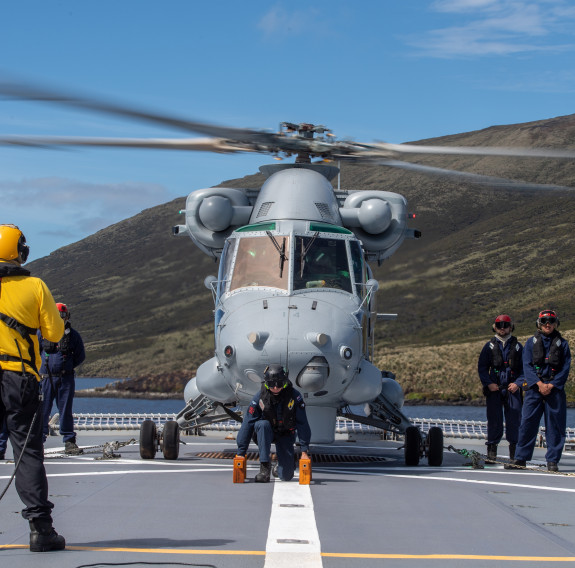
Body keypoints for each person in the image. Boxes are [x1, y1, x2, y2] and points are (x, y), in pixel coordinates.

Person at [0, 224, 66, 551]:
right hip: (19, 378)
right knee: (27, 454)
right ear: (19, 251)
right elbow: (54, 335)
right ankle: (40, 529)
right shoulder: (35, 286)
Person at [508, 310, 571, 472]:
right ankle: (520, 459)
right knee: (527, 423)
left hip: (554, 390)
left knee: (555, 426)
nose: (547, 324)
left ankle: (552, 461)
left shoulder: (563, 344)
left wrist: (552, 385)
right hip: (534, 390)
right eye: (544, 321)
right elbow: (526, 366)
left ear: (556, 323)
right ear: (539, 324)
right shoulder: (530, 343)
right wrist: (538, 384)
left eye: (550, 321)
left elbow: (565, 368)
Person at [236, 364, 311, 482]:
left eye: (279, 384)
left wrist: (304, 451)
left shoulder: (295, 397)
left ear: (285, 382)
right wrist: (241, 452)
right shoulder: (260, 396)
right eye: (271, 384)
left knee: (286, 476)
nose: (275, 388)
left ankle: (284, 464)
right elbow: (248, 422)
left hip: (285, 434)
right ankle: (264, 468)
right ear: (266, 383)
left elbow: (303, 423)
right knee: (262, 424)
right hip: (266, 433)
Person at [39, 302, 85, 454]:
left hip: (65, 379)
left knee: (65, 410)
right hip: (46, 378)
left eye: (63, 315)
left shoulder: (73, 336)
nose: (60, 318)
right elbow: (33, 351)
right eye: (58, 315)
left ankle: (69, 441)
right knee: (42, 410)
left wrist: (67, 367)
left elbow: (80, 356)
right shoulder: (42, 334)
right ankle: (39, 440)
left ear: (67, 317)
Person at [477, 314, 524, 464]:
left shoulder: (518, 347)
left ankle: (515, 455)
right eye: (499, 325)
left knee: (515, 420)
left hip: (513, 390)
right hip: (495, 390)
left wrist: (518, 383)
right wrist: (488, 383)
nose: (502, 328)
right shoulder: (488, 347)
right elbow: (482, 368)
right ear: (495, 328)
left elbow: (525, 369)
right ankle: (491, 454)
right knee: (494, 420)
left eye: (505, 325)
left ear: (511, 327)